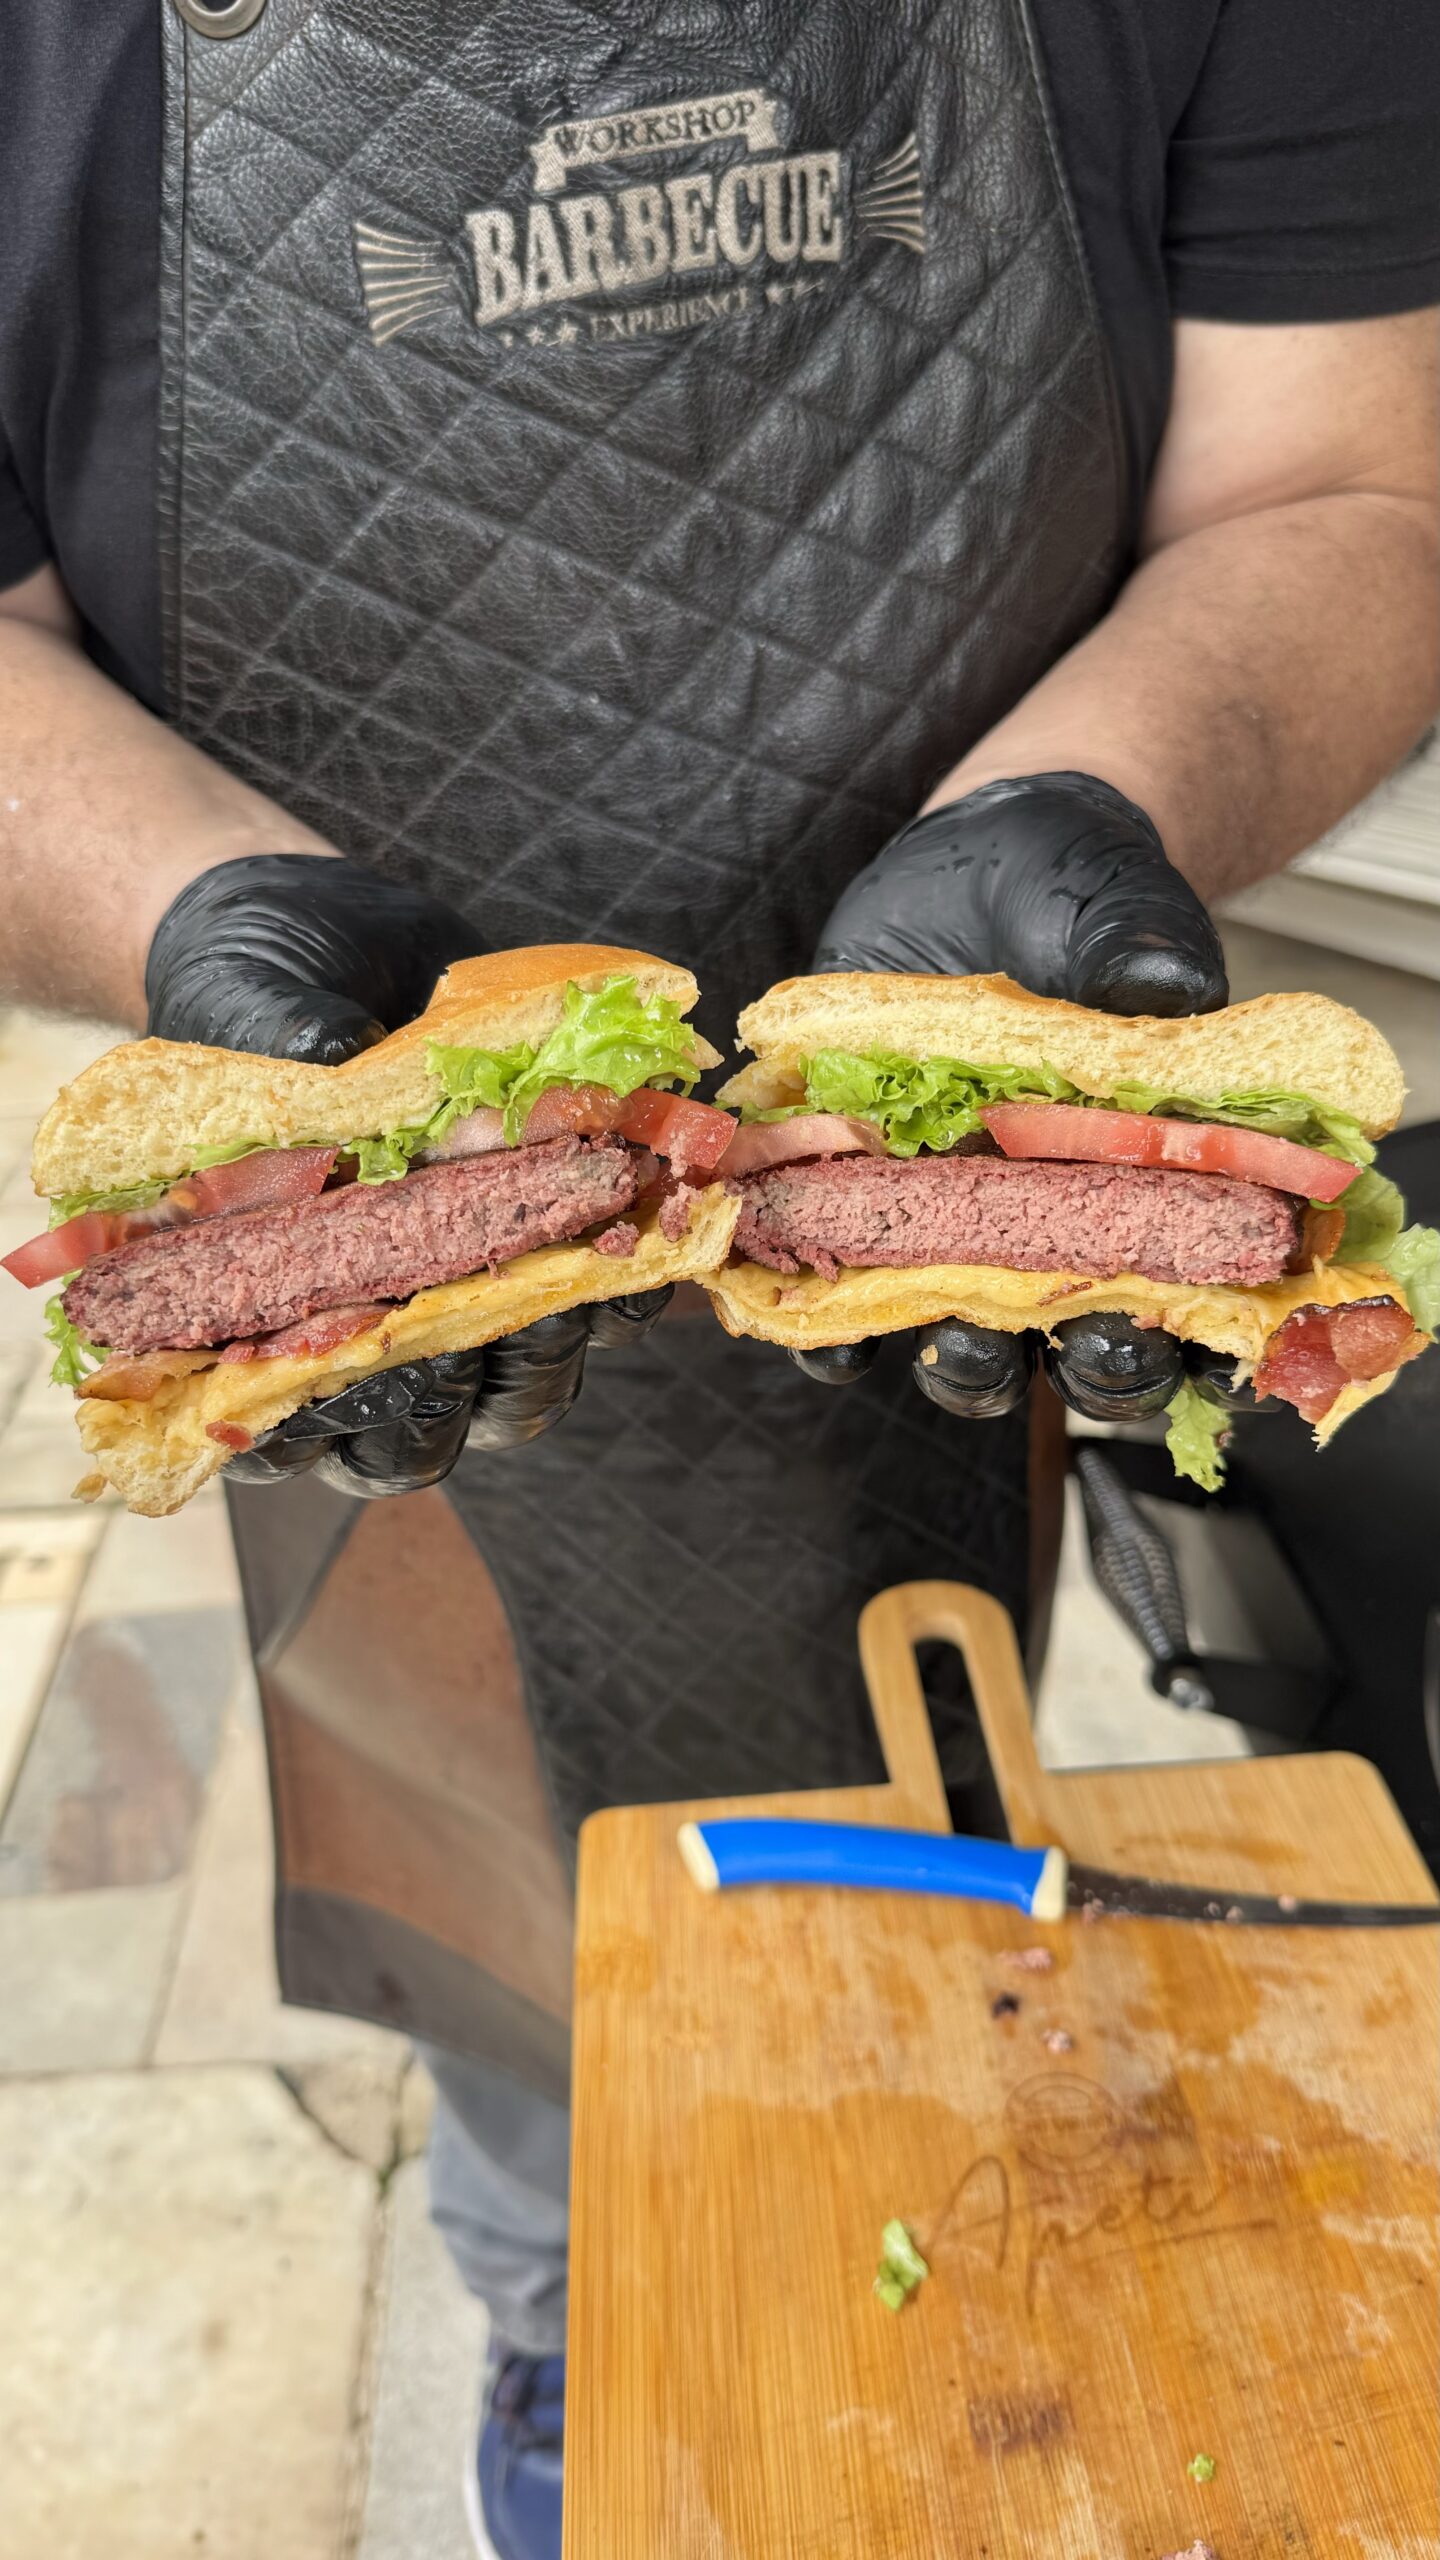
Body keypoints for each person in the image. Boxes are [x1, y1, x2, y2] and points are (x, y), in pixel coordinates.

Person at [2, 4, 1437, 2551]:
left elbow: (1346, 474)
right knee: (505, 1870)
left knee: (948, 1797)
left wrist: (1093, 813)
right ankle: (569, 2313)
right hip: (363, 1142)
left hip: (978, 1110)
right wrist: (199, 912)